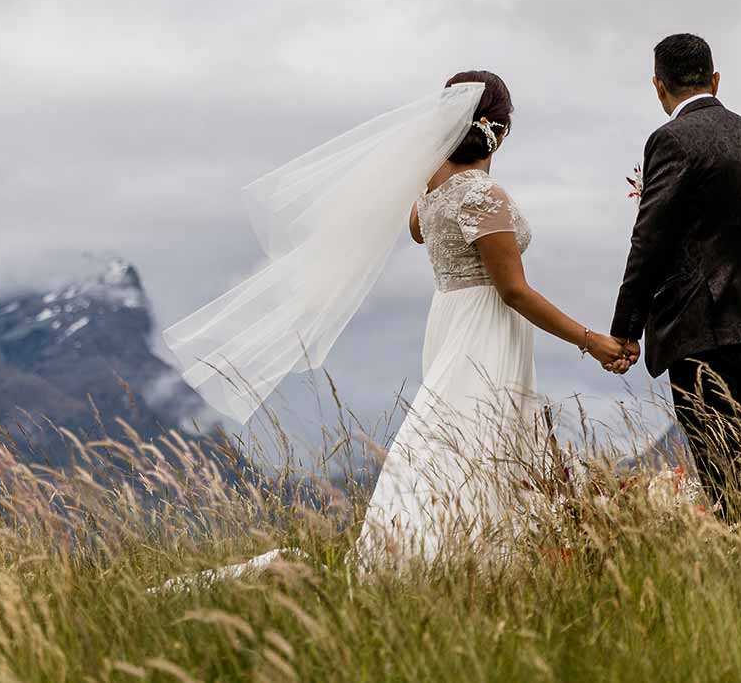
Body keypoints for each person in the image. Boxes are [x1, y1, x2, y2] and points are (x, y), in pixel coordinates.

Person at [163, 72, 633, 571]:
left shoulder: (431, 192)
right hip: (483, 327)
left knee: (460, 438)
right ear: (502, 129)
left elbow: (417, 229)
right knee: (468, 437)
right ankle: (437, 557)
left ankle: (472, 552)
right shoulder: (481, 196)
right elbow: (512, 290)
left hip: (450, 317)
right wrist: (592, 341)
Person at [610, 33, 741, 519]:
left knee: (719, 462)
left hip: (700, 327)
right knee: (735, 450)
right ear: (714, 79)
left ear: (659, 86)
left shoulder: (671, 140)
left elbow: (648, 241)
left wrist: (625, 330)